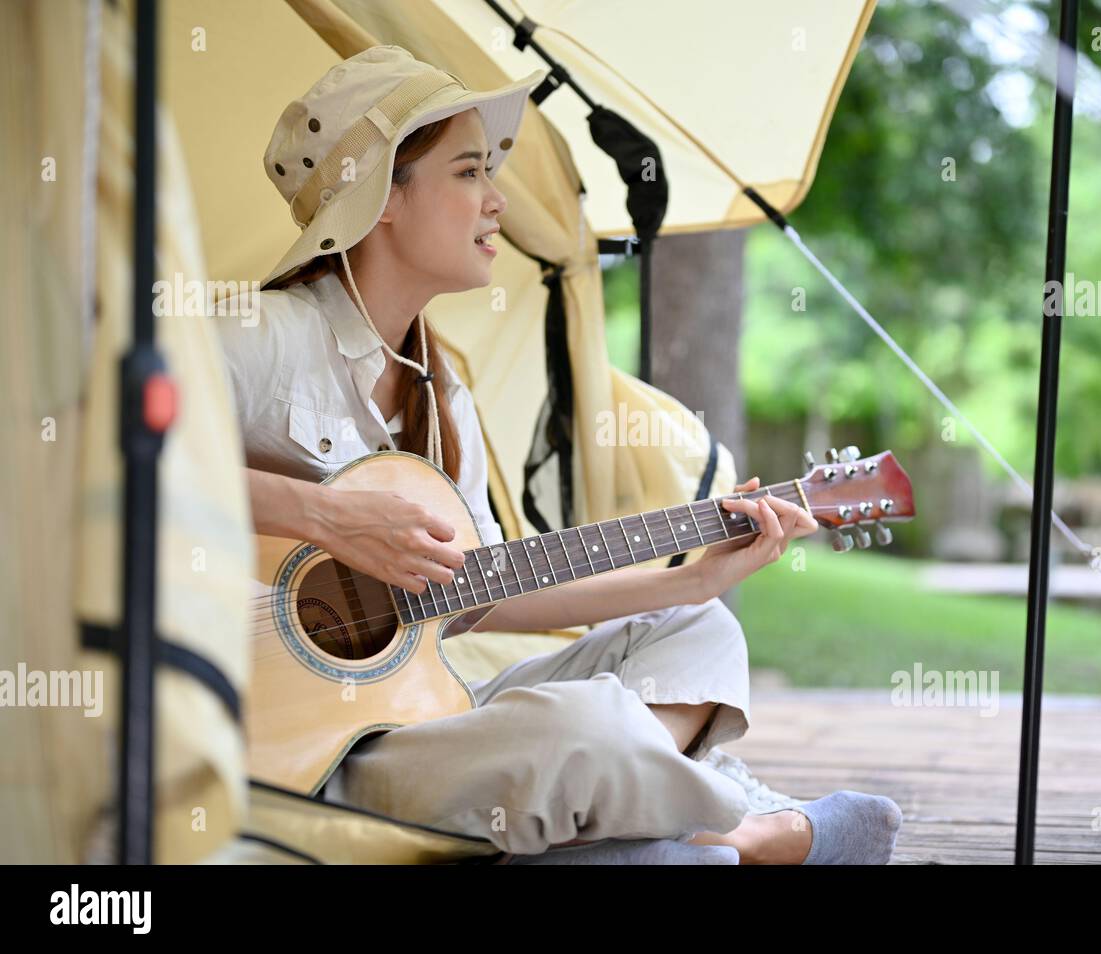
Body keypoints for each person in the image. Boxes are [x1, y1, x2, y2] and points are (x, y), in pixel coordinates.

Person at [216, 45, 901, 864]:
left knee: (698, 629)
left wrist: (690, 575)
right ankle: (741, 837)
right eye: (469, 172)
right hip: (315, 750)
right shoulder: (262, 336)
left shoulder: (444, 399)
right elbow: (95, 455)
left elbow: (478, 593)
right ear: (381, 196)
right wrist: (321, 512)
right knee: (580, 728)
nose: (497, 201)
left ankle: (632, 828)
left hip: (422, 717)